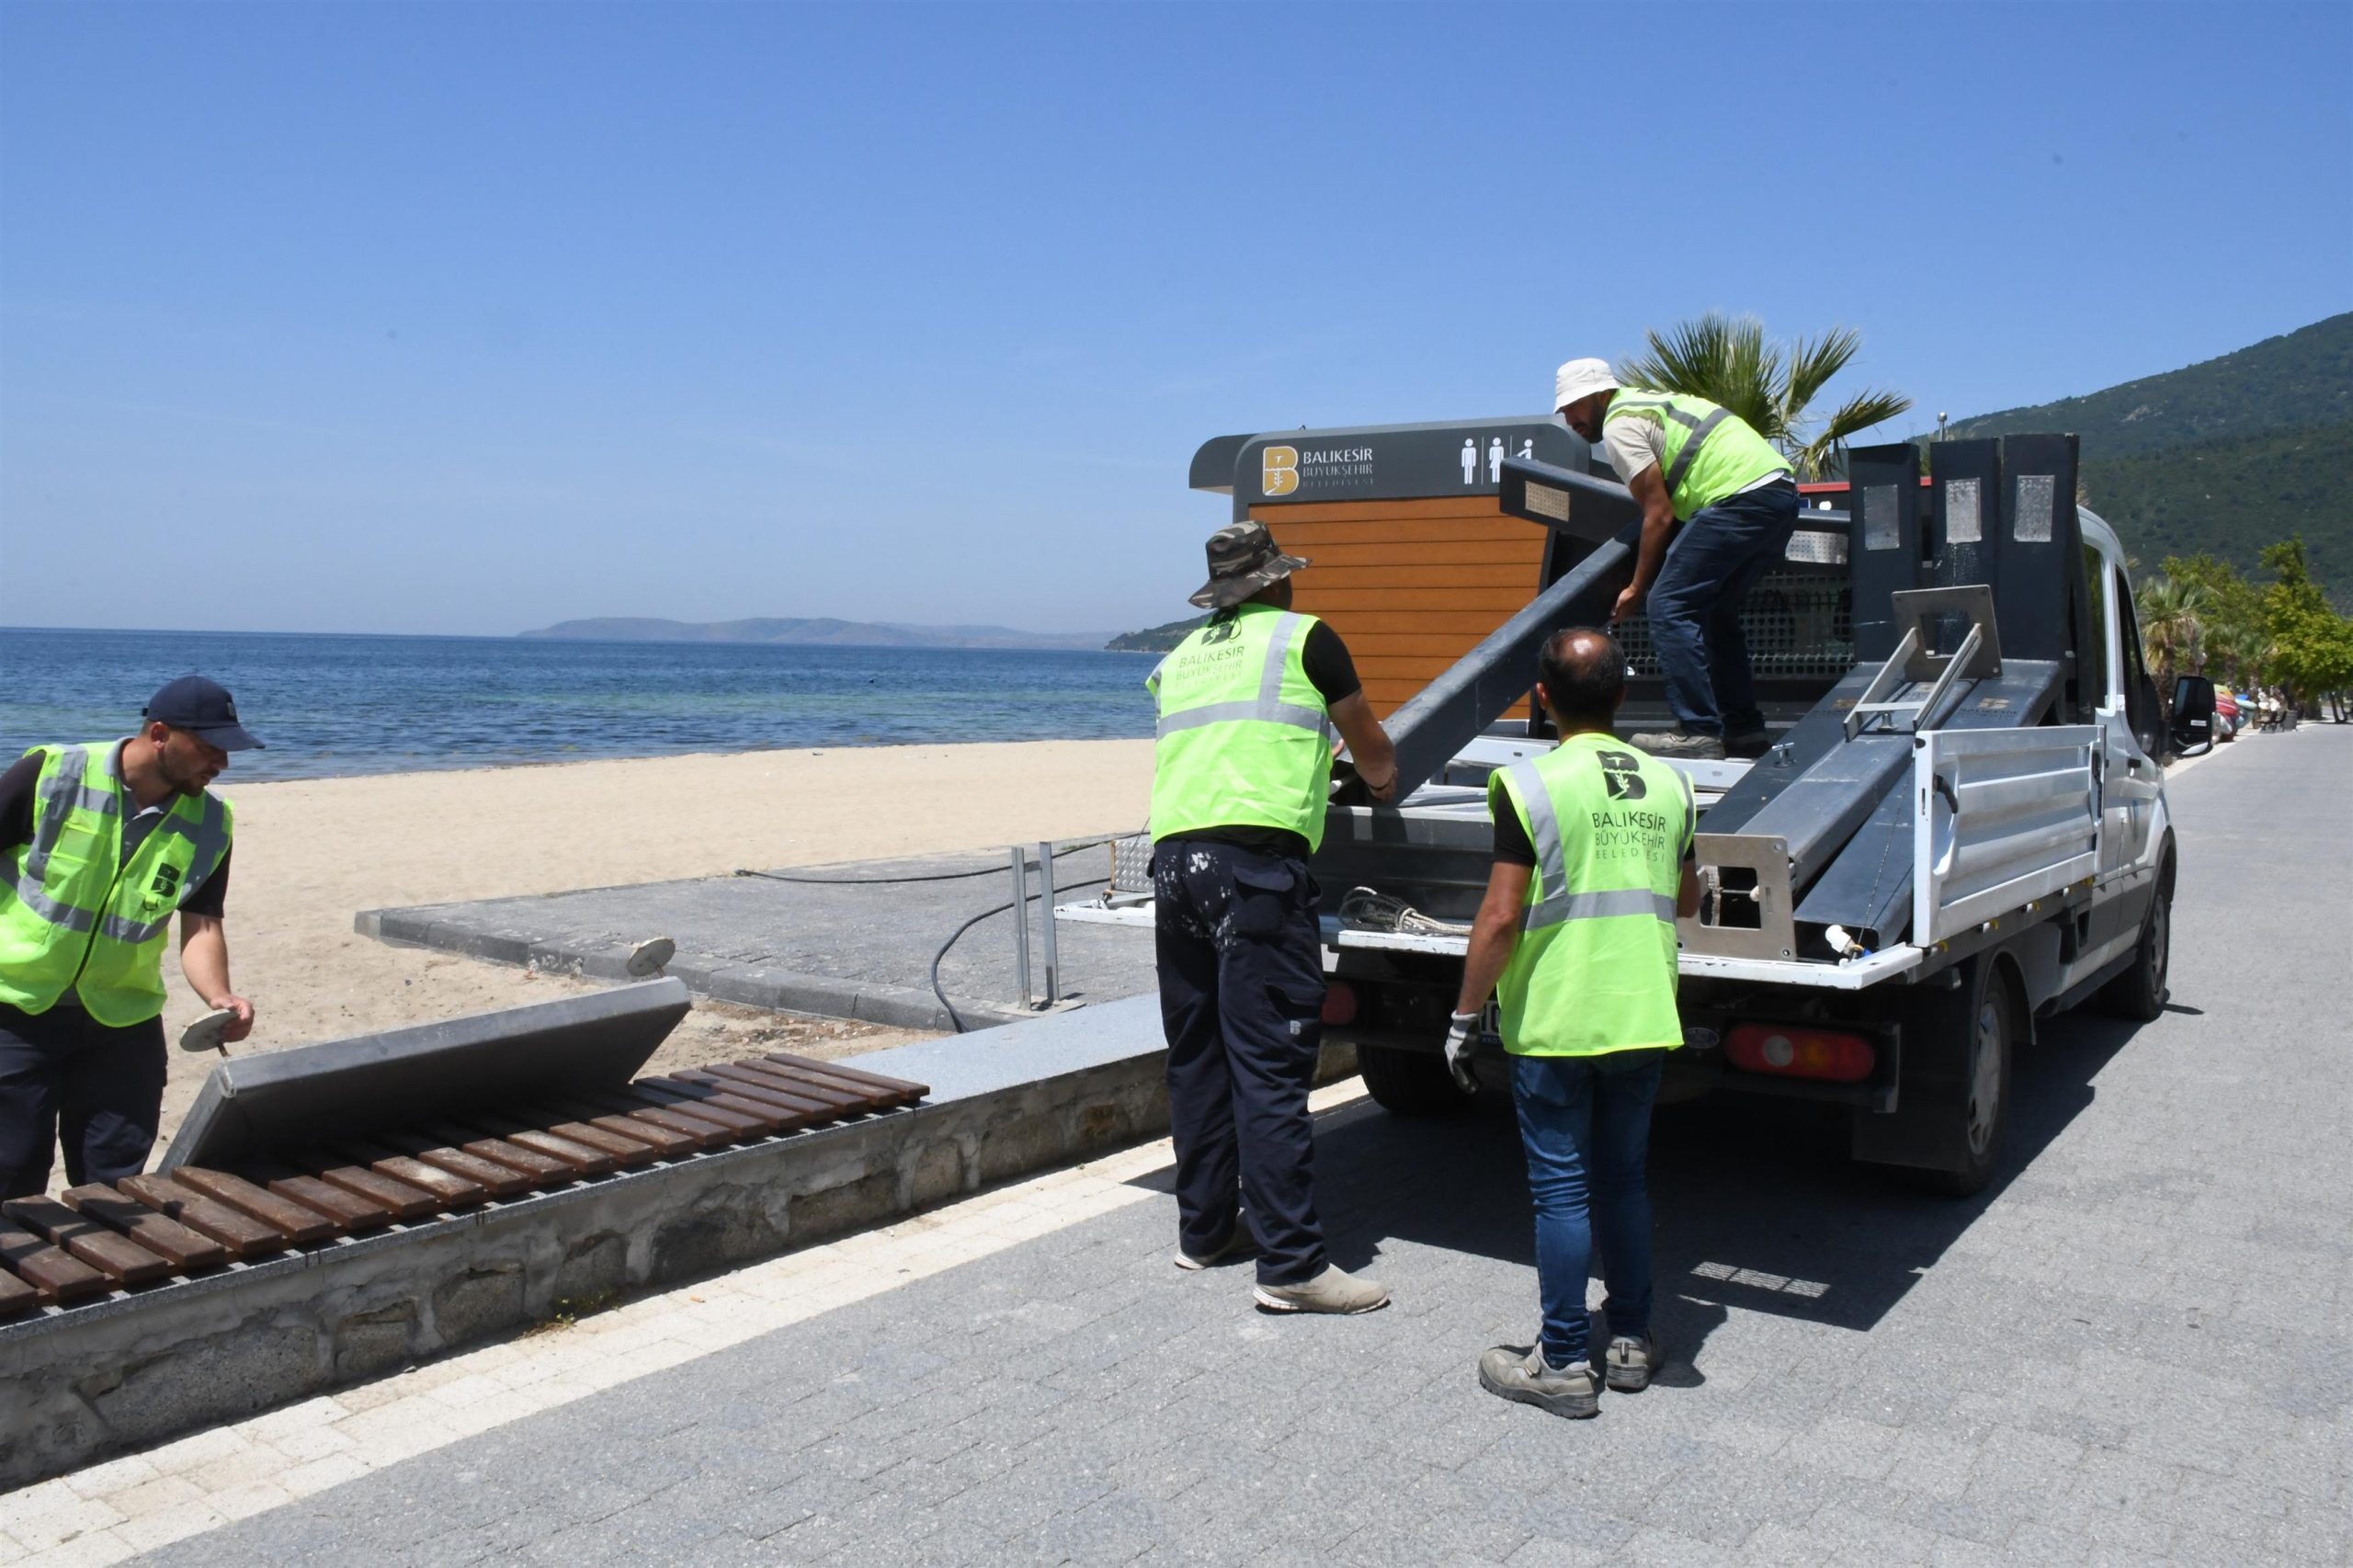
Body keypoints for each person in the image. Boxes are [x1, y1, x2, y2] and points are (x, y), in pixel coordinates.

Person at [1443, 627, 1700, 1417]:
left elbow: (1499, 917)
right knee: (1624, 1178)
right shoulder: (1673, 785)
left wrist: (1462, 1017)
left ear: (1542, 698)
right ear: (1624, 696)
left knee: (1561, 1190)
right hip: (1643, 1013)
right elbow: (1688, 901)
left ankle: (1559, 1361)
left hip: (1556, 1019)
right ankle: (1628, 1339)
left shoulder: (1530, 787)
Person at [1148, 519, 1400, 1314]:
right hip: (1253, 876)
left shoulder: (1179, 657)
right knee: (1270, 1063)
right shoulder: (1306, 638)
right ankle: (1292, 1265)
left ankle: (1206, 1232)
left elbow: (1225, 748)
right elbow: (1375, 752)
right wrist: (1379, 784)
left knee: (1197, 1057)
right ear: (1277, 580)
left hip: (1175, 865)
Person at [1, 676, 261, 1198]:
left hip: (123, 1020)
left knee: (118, 1185)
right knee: (13, 1172)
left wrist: (219, 996)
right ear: (160, 734)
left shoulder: (212, 822)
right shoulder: (53, 773)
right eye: (210, 748)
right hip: (16, 1010)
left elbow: (203, 924)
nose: (221, 764)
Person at [1552, 357, 1801, 761]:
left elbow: (1659, 513)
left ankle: (1698, 730)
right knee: (1717, 613)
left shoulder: (1619, 425)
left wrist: (1636, 587)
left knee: (1668, 604)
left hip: (1736, 498)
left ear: (1601, 393)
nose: (1570, 420)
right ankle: (1745, 730)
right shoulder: (1648, 403)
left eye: (1575, 406)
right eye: (1564, 410)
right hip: (1779, 495)